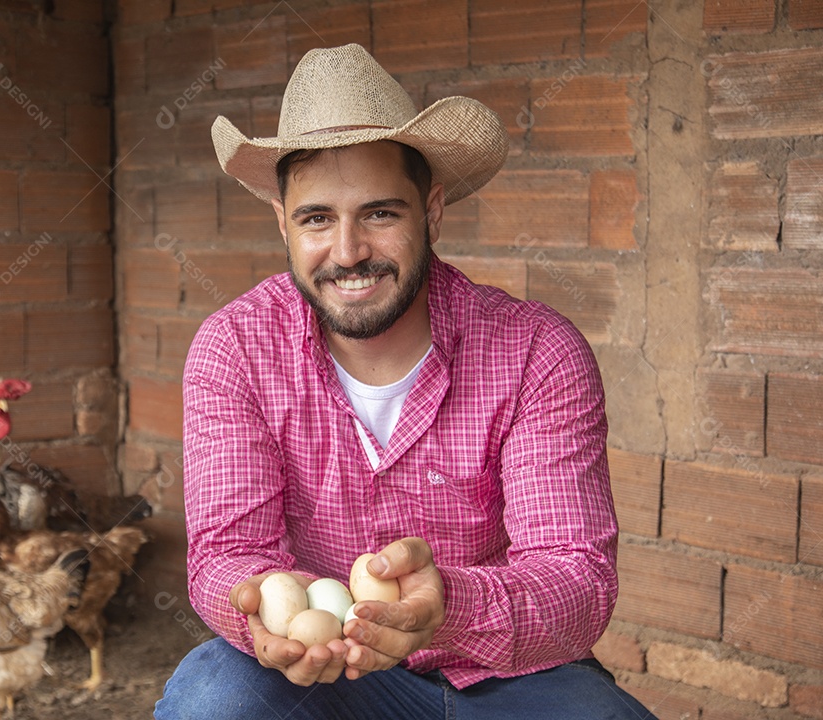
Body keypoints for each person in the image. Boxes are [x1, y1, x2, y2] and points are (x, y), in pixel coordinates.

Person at [155, 44, 655, 720]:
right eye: (316, 218)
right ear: (282, 222)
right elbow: (229, 554)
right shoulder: (236, 348)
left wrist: (449, 606)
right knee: (215, 701)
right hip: (324, 677)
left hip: (501, 675)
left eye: (380, 213)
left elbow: (577, 579)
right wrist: (262, 612)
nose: (348, 251)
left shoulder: (536, 351)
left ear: (432, 210)